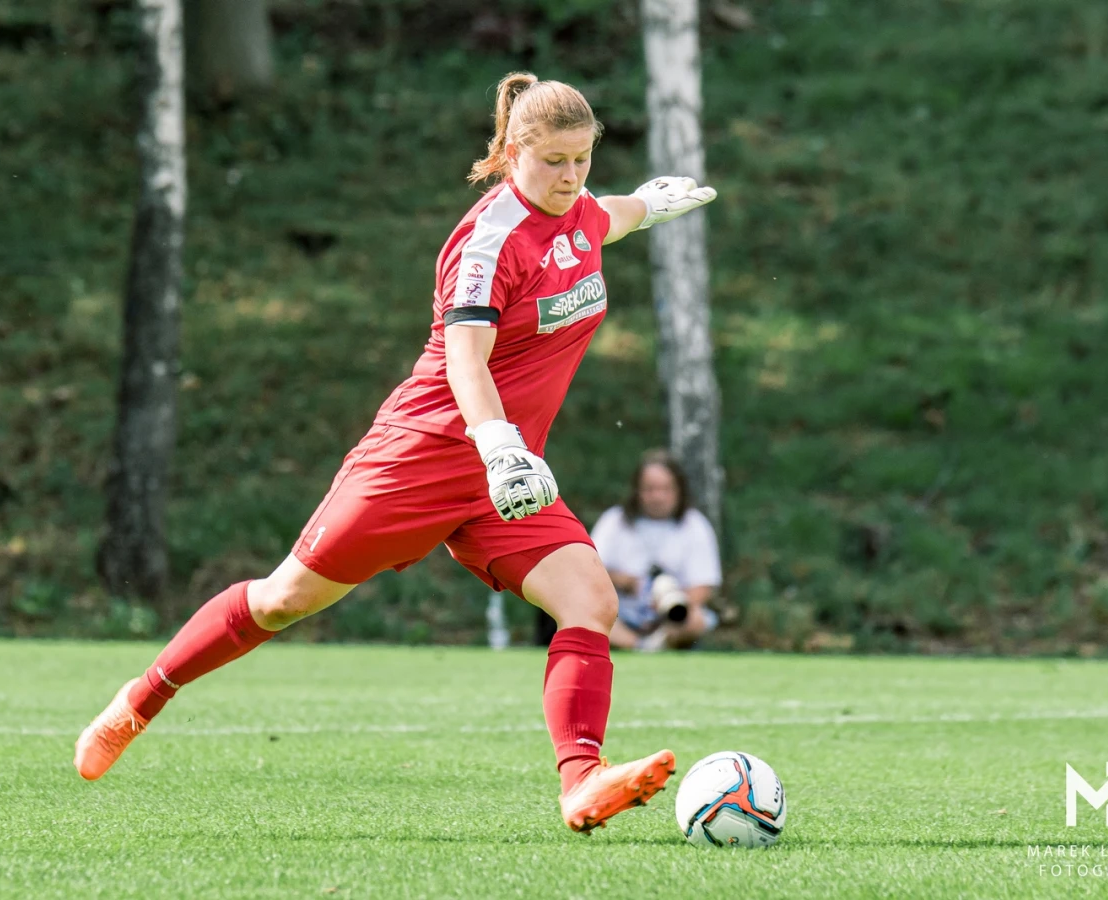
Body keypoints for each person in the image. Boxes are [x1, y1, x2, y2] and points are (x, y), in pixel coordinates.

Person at [73, 72, 717, 835]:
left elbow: (608, 218)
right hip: (425, 455)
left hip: (502, 478)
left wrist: (651, 203)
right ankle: (139, 700)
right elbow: (465, 360)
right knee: (284, 600)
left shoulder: (579, 211)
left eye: (583, 159)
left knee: (591, 603)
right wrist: (500, 446)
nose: (571, 176)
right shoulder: (488, 242)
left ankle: (582, 781)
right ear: (515, 150)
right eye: (554, 161)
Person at [591, 450, 722, 651]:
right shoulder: (614, 521)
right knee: (588, 610)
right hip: (621, 612)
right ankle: (638, 645)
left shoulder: (694, 524)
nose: (658, 497)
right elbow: (589, 569)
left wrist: (672, 600)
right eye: (650, 489)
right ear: (637, 490)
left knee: (695, 618)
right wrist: (626, 582)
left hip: (670, 616)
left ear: (679, 491)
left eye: (665, 489)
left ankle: (662, 642)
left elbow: (704, 585)